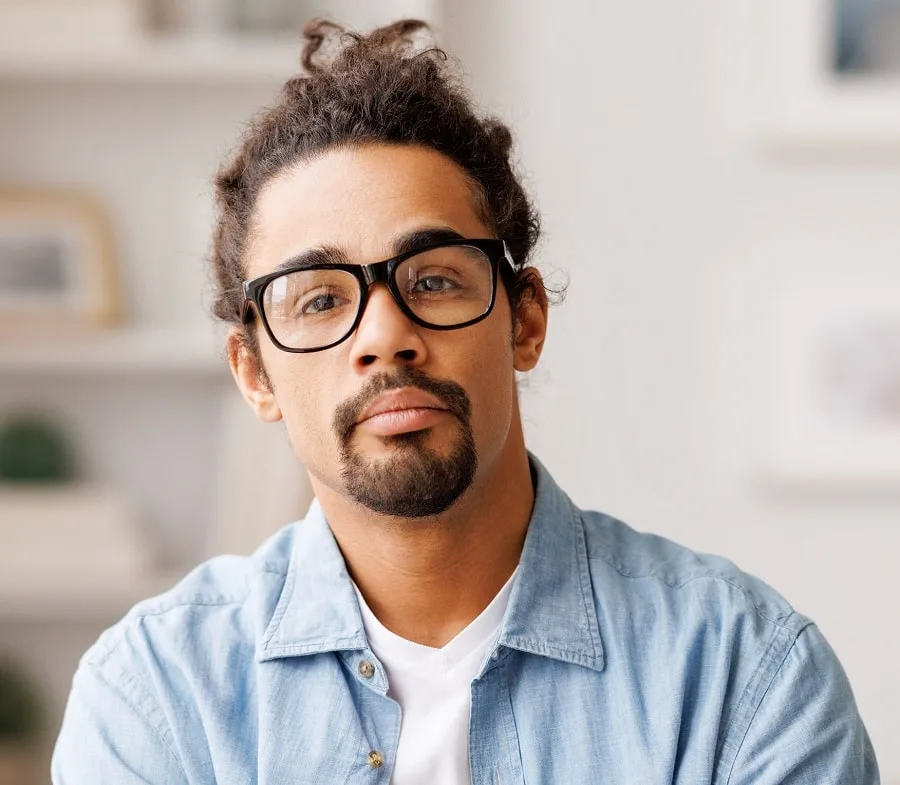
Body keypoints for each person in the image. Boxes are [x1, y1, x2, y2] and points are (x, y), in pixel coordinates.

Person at [52, 19, 879, 784]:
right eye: (319, 300)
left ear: (524, 320)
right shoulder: (156, 695)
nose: (384, 335)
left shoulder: (748, 674)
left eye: (434, 280)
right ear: (255, 373)